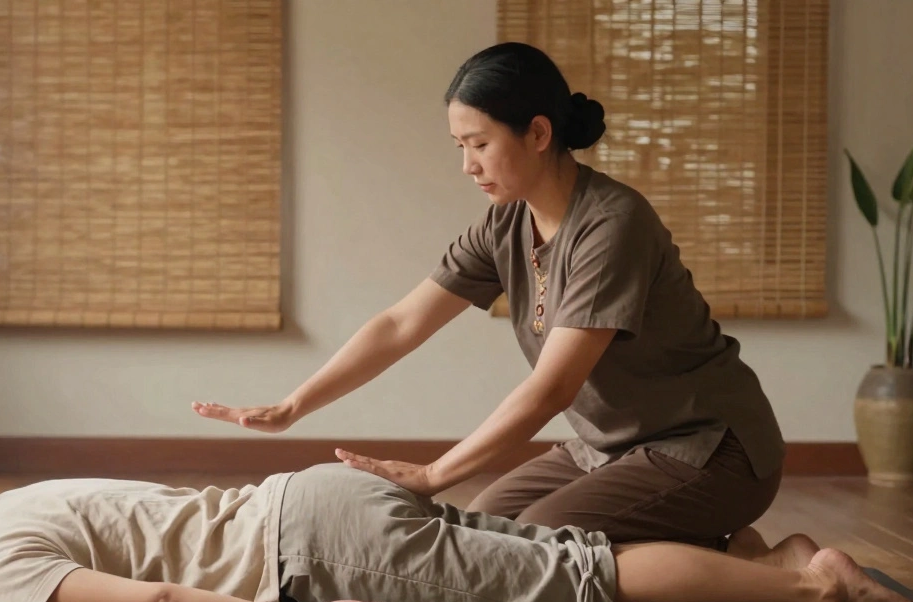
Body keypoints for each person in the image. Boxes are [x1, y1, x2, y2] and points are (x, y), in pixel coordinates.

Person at [193, 41, 786, 553]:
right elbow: (402, 323)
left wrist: (432, 473)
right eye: (459, 146)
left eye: (477, 143)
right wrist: (294, 405)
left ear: (537, 133)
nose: (467, 166)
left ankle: (762, 567)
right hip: (611, 447)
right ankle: (720, 548)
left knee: (539, 545)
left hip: (712, 447)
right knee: (482, 536)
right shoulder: (506, 223)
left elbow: (552, 388)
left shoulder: (612, 224)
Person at [0, 462, 913, 602]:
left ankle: (811, 588)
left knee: (587, 587)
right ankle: (767, 552)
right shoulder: (22, 499)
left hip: (315, 547)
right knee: (559, 548)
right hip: (319, 498)